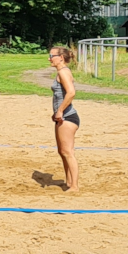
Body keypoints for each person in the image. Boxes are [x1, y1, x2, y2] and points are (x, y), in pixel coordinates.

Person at [48, 46, 82, 192]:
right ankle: (69, 182)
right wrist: (56, 112)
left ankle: (74, 186)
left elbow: (71, 93)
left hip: (68, 116)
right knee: (62, 152)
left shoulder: (63, 72)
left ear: (61, 58)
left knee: (68, 152)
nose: (49, 58)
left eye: (51, 55)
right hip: (62, 116)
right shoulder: (61, 72)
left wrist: (60, 111)